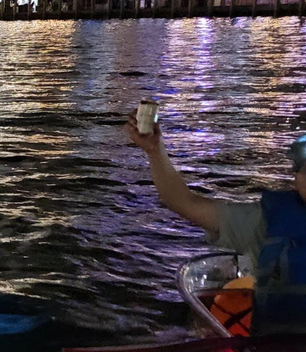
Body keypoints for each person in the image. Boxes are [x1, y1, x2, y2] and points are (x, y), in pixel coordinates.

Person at [126, 111, 306, 334]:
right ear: (296, 178)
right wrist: (154, 150)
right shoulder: (266, 221)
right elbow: (184, 203)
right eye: (304, 169)